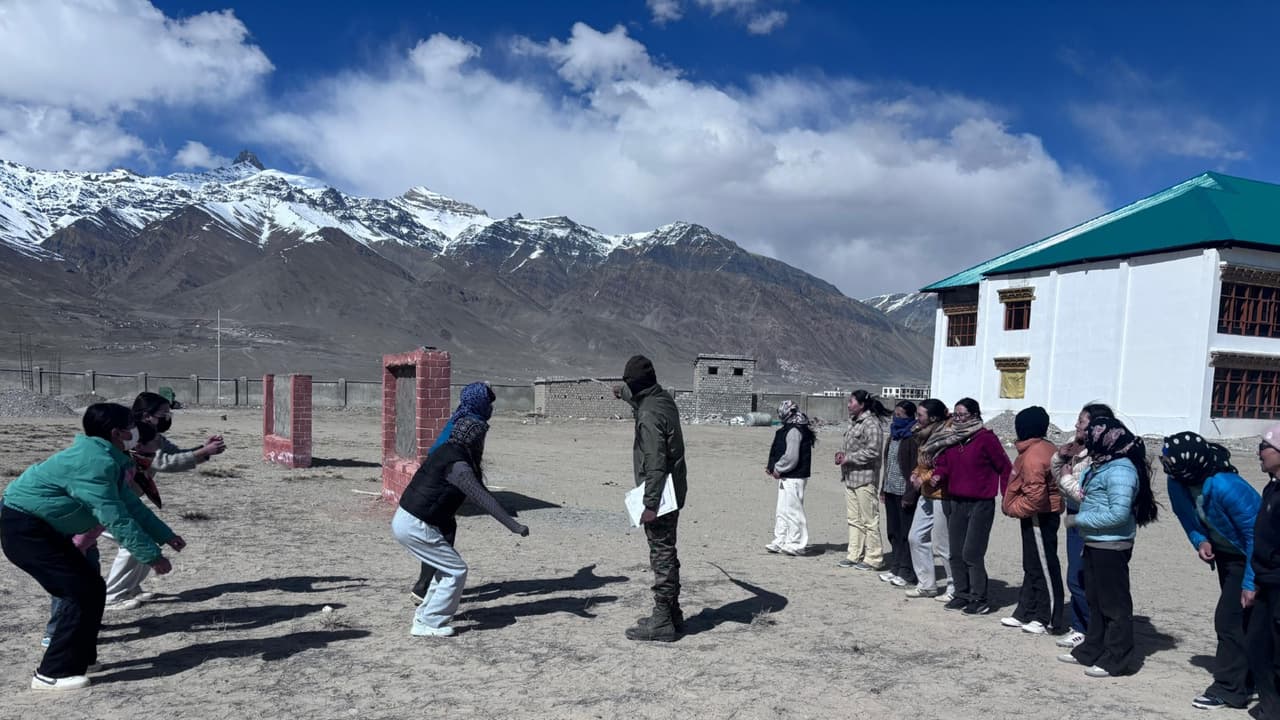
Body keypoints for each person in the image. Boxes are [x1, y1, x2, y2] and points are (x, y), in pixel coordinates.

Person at [1, 403, 184, 691]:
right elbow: (115, 517)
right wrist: (151, 556)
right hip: (25, 528)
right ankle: (51, 673)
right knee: (79, 590)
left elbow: (131, 504)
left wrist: (166, 535)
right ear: (117, 433)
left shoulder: (108, 458)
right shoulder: (95, 463)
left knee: (91, 588)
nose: (136, 430)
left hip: (46, 527)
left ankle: (80, 660)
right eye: (131, 425)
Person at [392, 416, 529, 637]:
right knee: (456, 570)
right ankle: (428, 623)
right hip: (416, 525)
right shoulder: (458, 466)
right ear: (475, 439)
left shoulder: (444, 450)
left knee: (446, 568)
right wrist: (514, 525)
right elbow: (483, 498)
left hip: (406, 518)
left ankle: (425, 615)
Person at [97, 392, 225, 610]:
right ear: (147, 415)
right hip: (104, 503)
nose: (167, 417)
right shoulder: (132, 438)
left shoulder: (154, 436)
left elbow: (176, 454)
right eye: (163, 413)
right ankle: (113, 595)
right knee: (134, 544)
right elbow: (162, 462)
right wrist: (203, 452)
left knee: (146, 540)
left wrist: (203, 450)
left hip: (124, 501)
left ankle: (130, 587)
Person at [42, 424, 163, 646]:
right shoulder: (107, 463)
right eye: (155, 440)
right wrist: (153, 556)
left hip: (86, 528)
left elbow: (128, 503)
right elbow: (107, 508)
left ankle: (87, 621)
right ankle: (55, 633)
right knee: (70, 582)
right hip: (71, 527)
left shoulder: (127, 462)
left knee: (90, 577)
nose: (160, 444)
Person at [1163, 432, 1259, 710]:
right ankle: (1250, 678)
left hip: (1252, 557)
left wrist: (1250, 582)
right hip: (1227, 556)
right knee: (1246, 620)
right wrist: (1200, 540)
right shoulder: (1177, 481)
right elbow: (1185, 515)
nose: (1164, 463)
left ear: (1188, 463)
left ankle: (1229, 690)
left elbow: (1256, 535)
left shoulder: (1227, 485)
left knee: (1229, 620)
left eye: (1169, 459)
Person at [1059, 416, 1158, 678]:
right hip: (1095, 541)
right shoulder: (1102, 464)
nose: (1086, 440)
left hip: (1112, 544)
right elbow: (1087, 496)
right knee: (1095, 600)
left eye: (1091, 436)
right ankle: (1092, 649)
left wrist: (1078, 520)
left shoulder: (1121, 470)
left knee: (1114, 605)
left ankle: (1117, 658)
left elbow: (1119, 514)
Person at [613, 355, 688, 642]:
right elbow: (638, 397)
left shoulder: (648, 415)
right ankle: (672, 614)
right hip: (674, 490)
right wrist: (623, 393)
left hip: (661, 495)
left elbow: (655, 462)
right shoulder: (663, 400)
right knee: (668, 550)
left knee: (662, 554)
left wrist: (650, 504)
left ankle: (662, 620)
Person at [411, 382, 497, 604]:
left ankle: (426, 585)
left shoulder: (463, 417)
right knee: (443, 534)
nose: (491, 408)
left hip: (441, 479)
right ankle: (423, 588)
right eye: (488, 403)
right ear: (479, 402)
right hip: (443, 482)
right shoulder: (471, 424)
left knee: (443, 531)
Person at [929, 398, 1010, 615]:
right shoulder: (952, 439)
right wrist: (938, 475)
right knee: (955, 552)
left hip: (980, 503)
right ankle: (961, 593)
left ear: (974, 415)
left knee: (972, 552)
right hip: (956, 501)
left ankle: (979, 598)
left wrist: (1007, 495)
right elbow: (944, 464)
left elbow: (1004, 467)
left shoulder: (986, 439)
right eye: (955, 414)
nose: (958, 418)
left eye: (962, 414)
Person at [1051, 403, 1114, 649]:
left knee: (1083, 576)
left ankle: (1091, 630)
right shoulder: (1074, 444)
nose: (1076, 425)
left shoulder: (1103, 454)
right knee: (1075, 575)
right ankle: (1080, 626)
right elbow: (1059, 479)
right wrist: (1059, 458)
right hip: (1074, 513)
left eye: (1082, 422)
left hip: (1092, 517)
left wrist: (1067, 478)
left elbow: (1087, 495)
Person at [999, 406, 1064, 635]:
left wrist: (1013, 508)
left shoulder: (1035, 455)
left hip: (1039, 516)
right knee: (1032, 564)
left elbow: (1036, 497)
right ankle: (1025, 611)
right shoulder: (1039, 448)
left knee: (1044, 566)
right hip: (1036, 514)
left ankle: (1048, 617)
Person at [835, 390, 890, 571]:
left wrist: (849, 458)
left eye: (851, 402)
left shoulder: (871, 424)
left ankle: (874, 557)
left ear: (862, 404)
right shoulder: (854, 423)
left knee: (869, 520)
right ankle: (854, 554)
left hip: (865, 478)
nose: (848, 405)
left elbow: (873, 451)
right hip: (850, 477)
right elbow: (851, 446)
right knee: (853, 518)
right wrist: (842, 455)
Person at [905, 399, 952, 599]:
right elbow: (924, 462)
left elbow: (944, 465)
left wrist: (922, 478)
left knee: (943, 544)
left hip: (942, 495)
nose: (917, 418)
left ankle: (954, 587)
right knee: (915, 537)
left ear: (932, 417)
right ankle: (926, 584)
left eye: (920, 415)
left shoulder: (946, 436)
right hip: (927, 494)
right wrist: (916, 473)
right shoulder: (924, 435)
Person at [1250, 425, 1280, 718]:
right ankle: (1270, 706)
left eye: (1265, 447)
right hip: (1265, 579)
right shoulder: (1271, 488)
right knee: (1259, 644)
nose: (1259, 453)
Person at [764, 400, 815, 557]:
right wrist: (772, 467)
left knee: (793, 510)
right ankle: (781, 539)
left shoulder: (794, 430)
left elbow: (791, 457)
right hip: (787, 475)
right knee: (782, 509)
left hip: (794, 476)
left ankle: (796, 543)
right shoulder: (789, 429)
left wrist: (778, 468)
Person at [879, 400, 918, 587]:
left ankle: (906, 570)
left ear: (910, 417)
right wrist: (883, 489)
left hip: (904, 492)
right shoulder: (892, 436)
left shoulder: (912, 439)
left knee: (905, 533)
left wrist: (910, 494)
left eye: (900, 415)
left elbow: (914, 468)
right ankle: (895, 567)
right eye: (895, 414)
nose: (896, 418)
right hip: (890, 490)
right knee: (893, 531)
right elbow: (888, 465)